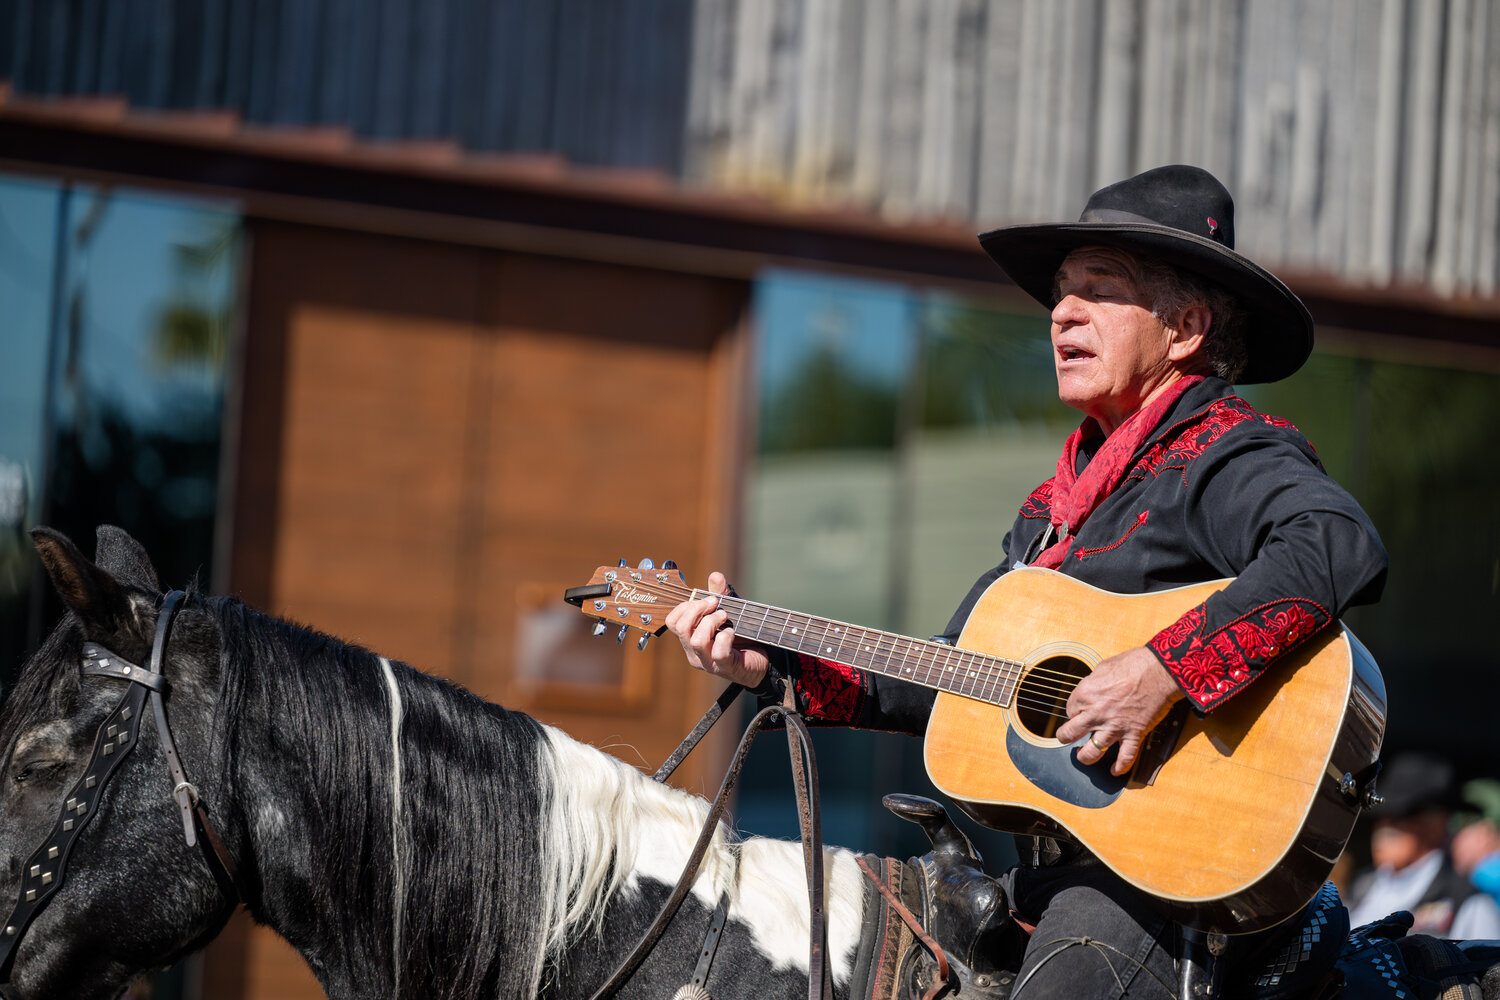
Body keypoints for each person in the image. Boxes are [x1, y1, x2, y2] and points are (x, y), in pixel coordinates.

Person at [666, 164, 1388, 996]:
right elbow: (948, 678)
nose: (1062, 313)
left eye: (1098, 291)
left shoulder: (1229, 451)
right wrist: (774, 665)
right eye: (1059, 294)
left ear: (1186, 328)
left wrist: (1161, 671)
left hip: (1164, 887)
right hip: (1049, 880)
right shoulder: (1053, 509)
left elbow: (1336, 541)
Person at [1346, 752, 1500, 939]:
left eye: (1402, 817)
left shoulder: (1467, 902)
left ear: (1435, 826)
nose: (1385, 828)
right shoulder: (1361, 886)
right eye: (1382, 816)